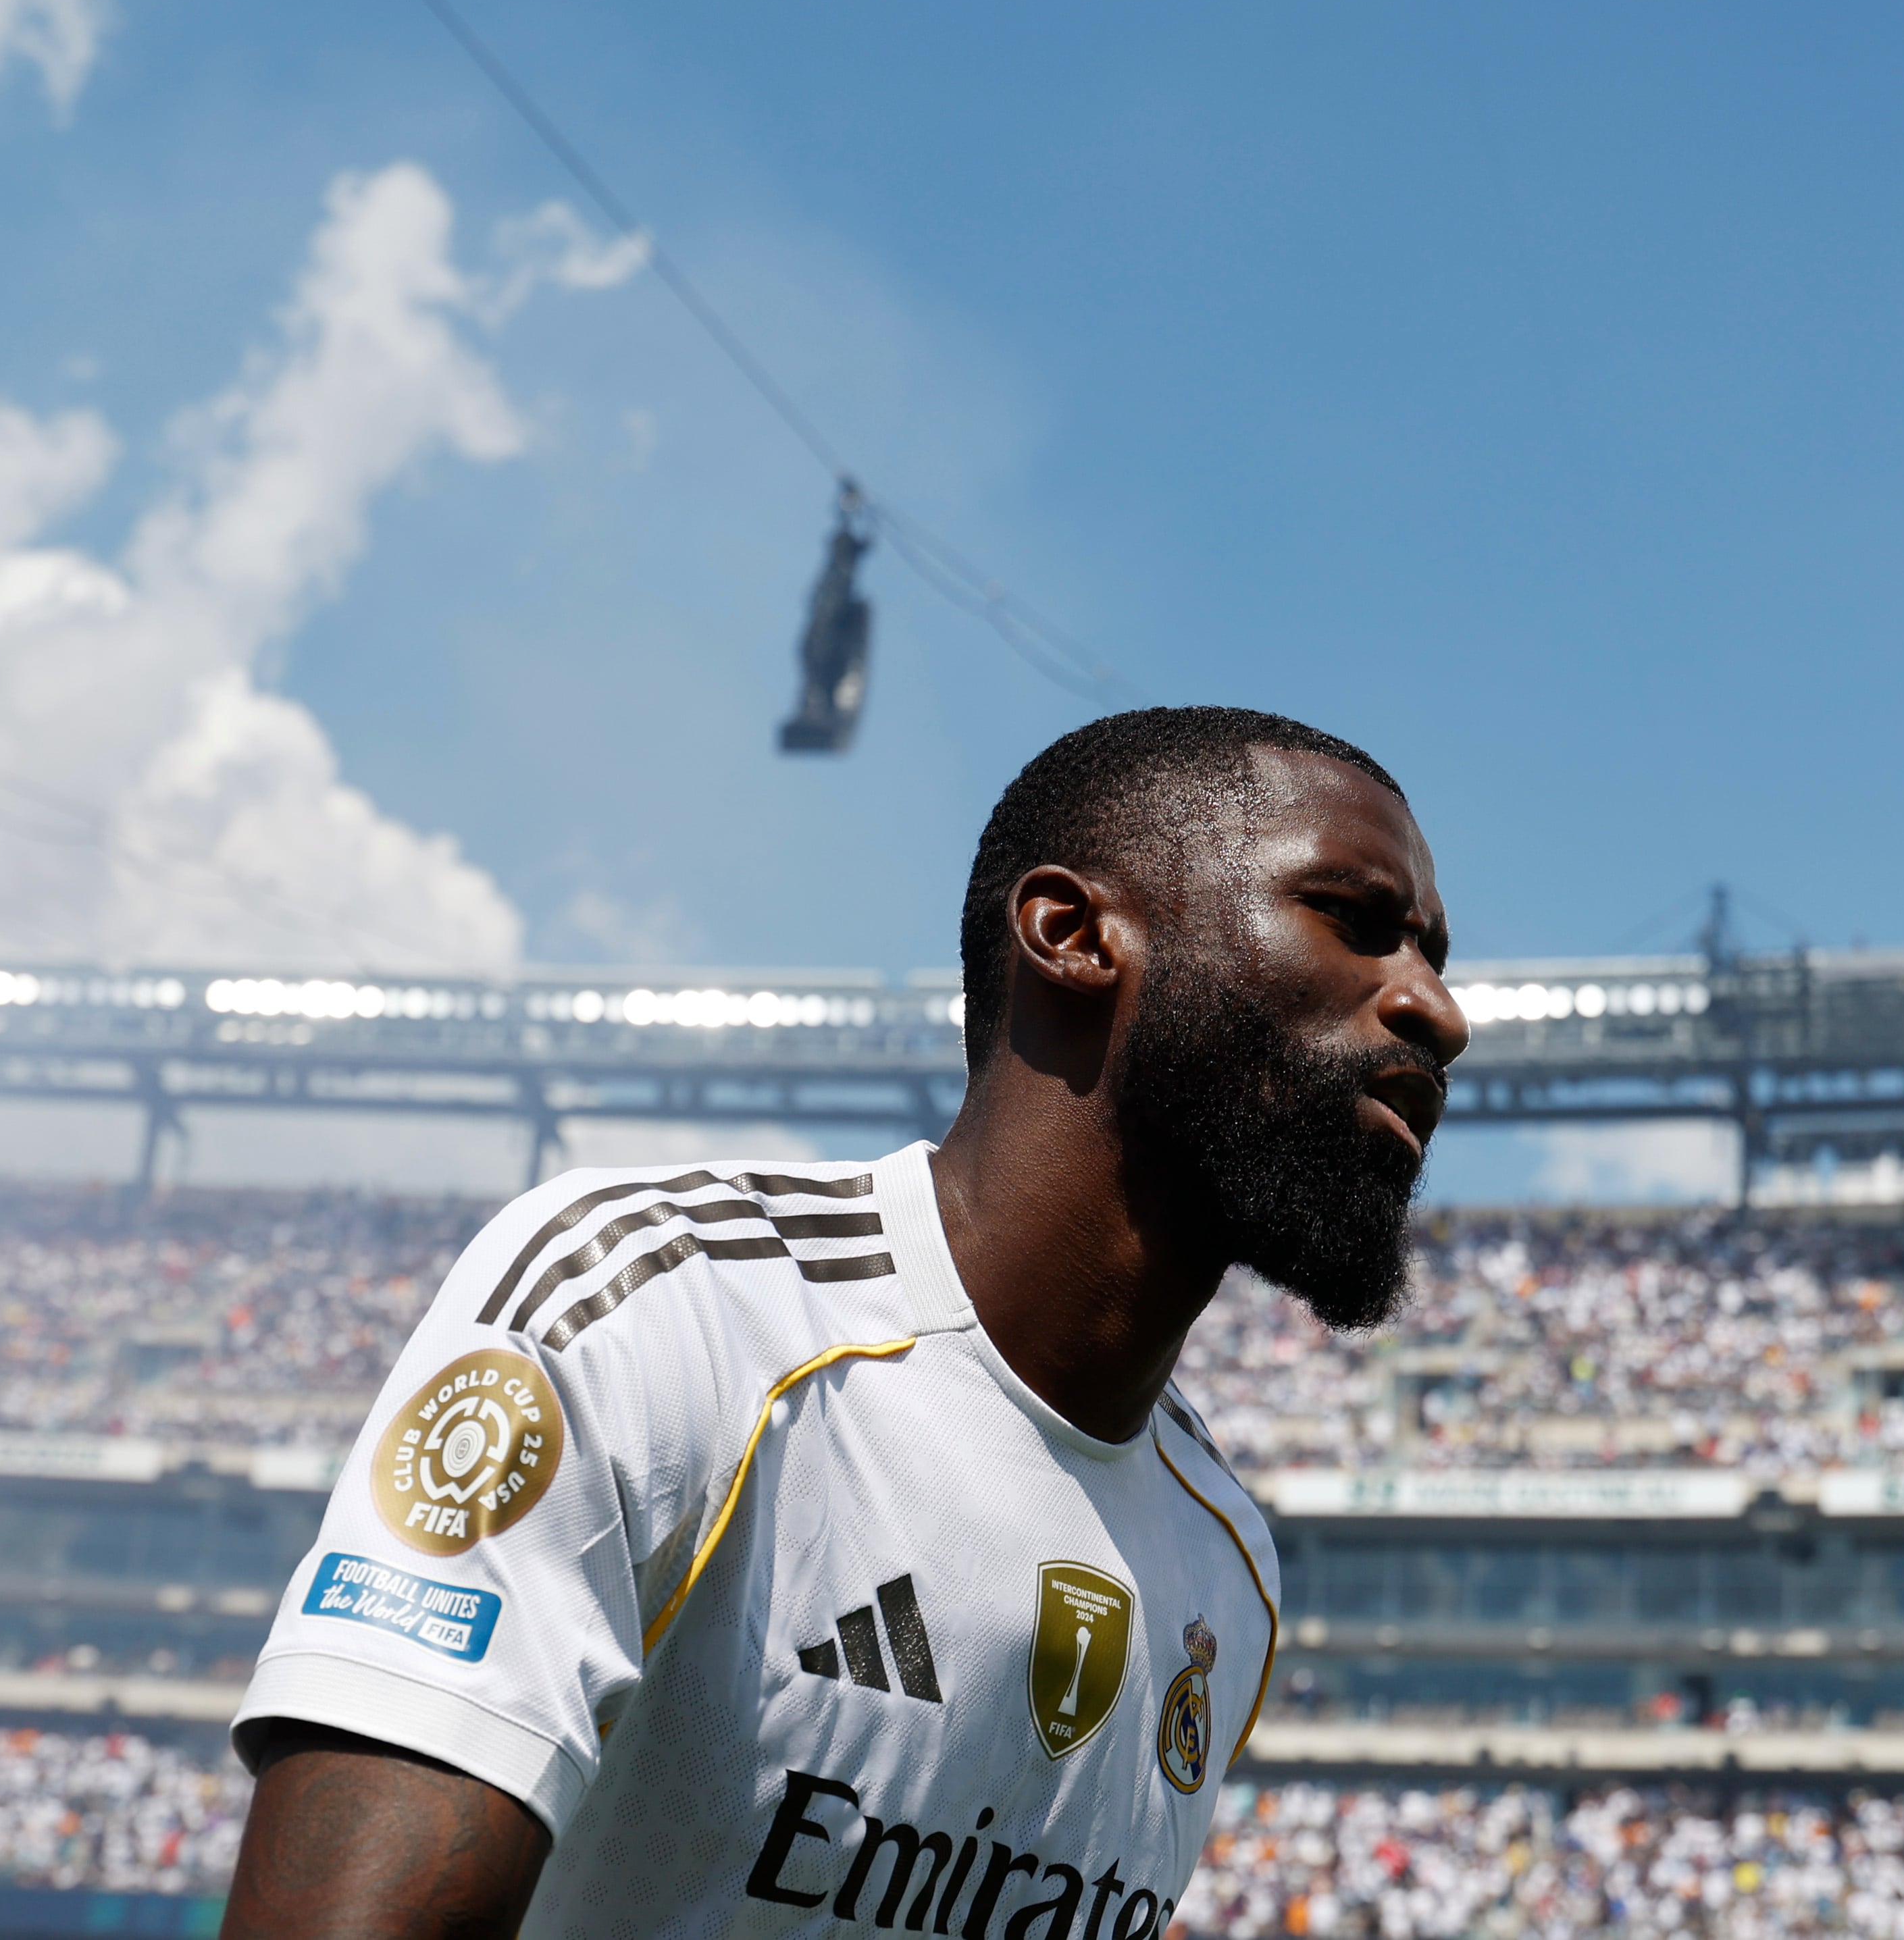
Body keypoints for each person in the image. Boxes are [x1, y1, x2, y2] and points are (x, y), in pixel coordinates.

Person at [222, 706, 1467, 1939]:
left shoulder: (1227, 1566)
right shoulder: (660, 1309)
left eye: (1434, 957)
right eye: (1357, 923)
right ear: (1073, 934)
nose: (1437, 1011)